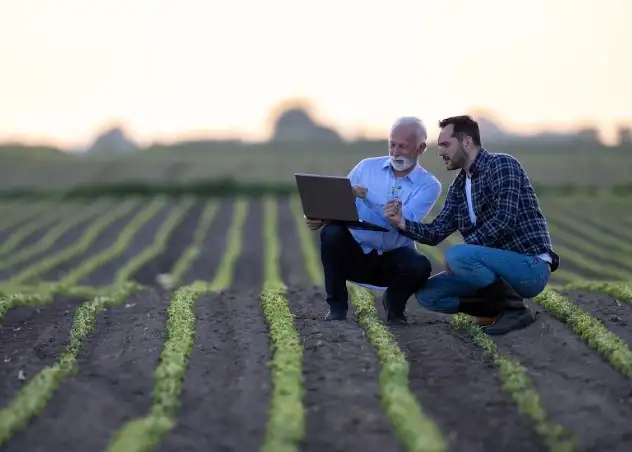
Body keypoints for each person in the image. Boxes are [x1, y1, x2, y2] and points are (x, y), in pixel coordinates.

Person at [385, 115, 559, 335]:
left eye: (445, 144)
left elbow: (504, 219)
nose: (440, 151)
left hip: (528, 266)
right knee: (429, 295)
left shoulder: (502, 165)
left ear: (467, 142)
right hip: (489, 270)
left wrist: (464, 255)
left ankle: (515, 310)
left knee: (458, 255)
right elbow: (436, 231)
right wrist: (402, 222)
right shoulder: (458, 187)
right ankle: (495, 310)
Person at [305, 117, 442, 323]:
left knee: (420, 265)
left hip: (391, 259)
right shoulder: (366, 167)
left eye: (403, 147)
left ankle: (395, 306)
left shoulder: (429, 185)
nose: (395, 153)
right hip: (356, 255)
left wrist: (367, 196)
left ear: (421, 148)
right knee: (331, 233)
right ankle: (337, 307)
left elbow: (405, 222)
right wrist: (319, 216)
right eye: (392, 145)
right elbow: (338, 200)